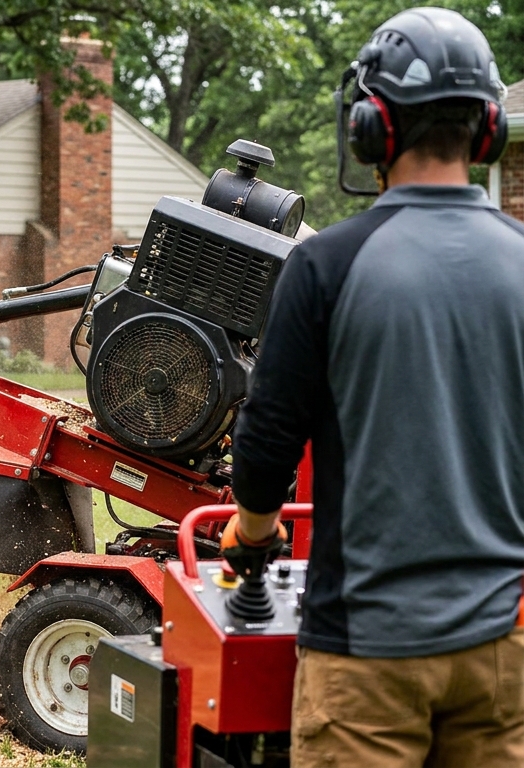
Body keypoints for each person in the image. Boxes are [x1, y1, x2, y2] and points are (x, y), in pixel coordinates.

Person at [223, 7, 524, 766]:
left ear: (370, 128)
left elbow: (266, 441)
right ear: (487, 129)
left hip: (367, 653)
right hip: (502, 652)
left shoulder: (327, 265)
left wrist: (253, 533)